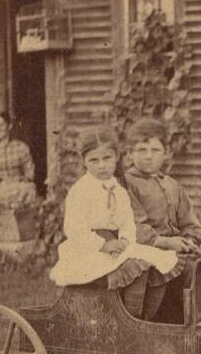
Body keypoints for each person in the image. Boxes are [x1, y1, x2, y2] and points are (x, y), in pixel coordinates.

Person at [49, 125, 178, 318]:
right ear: (84, 161)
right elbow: (74, 228)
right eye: (94, 160)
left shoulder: (117, 189)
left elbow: (127, 221)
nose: (101, 165)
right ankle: (130, 322)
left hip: (117, 244)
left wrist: (126, 239)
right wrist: (103, 244)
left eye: (107, 158)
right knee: (137, 267)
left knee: (160, 261)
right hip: (89, 249)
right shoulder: (81, 190)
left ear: (117, 157)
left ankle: (145, 321)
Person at [121, 117, 201, 322]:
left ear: (165, 153)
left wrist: (190, 240)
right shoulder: (127, 184)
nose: (149, 157)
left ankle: (196, 325)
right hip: (145, 249)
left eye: (155, 150)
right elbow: (134, 227)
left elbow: (189, 222)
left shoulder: (172, 185)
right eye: (142, 150)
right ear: (130, 154)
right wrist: (168, 242)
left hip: (176, 250)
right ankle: (155, 324)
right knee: (187, 272)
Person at [0, 111, 37, 209]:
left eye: (1, 125)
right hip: (1, 188)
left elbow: (30, 174)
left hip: (18, 187)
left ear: (9, 126)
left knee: (29, 188)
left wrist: (20, 180)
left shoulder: (21, 147)